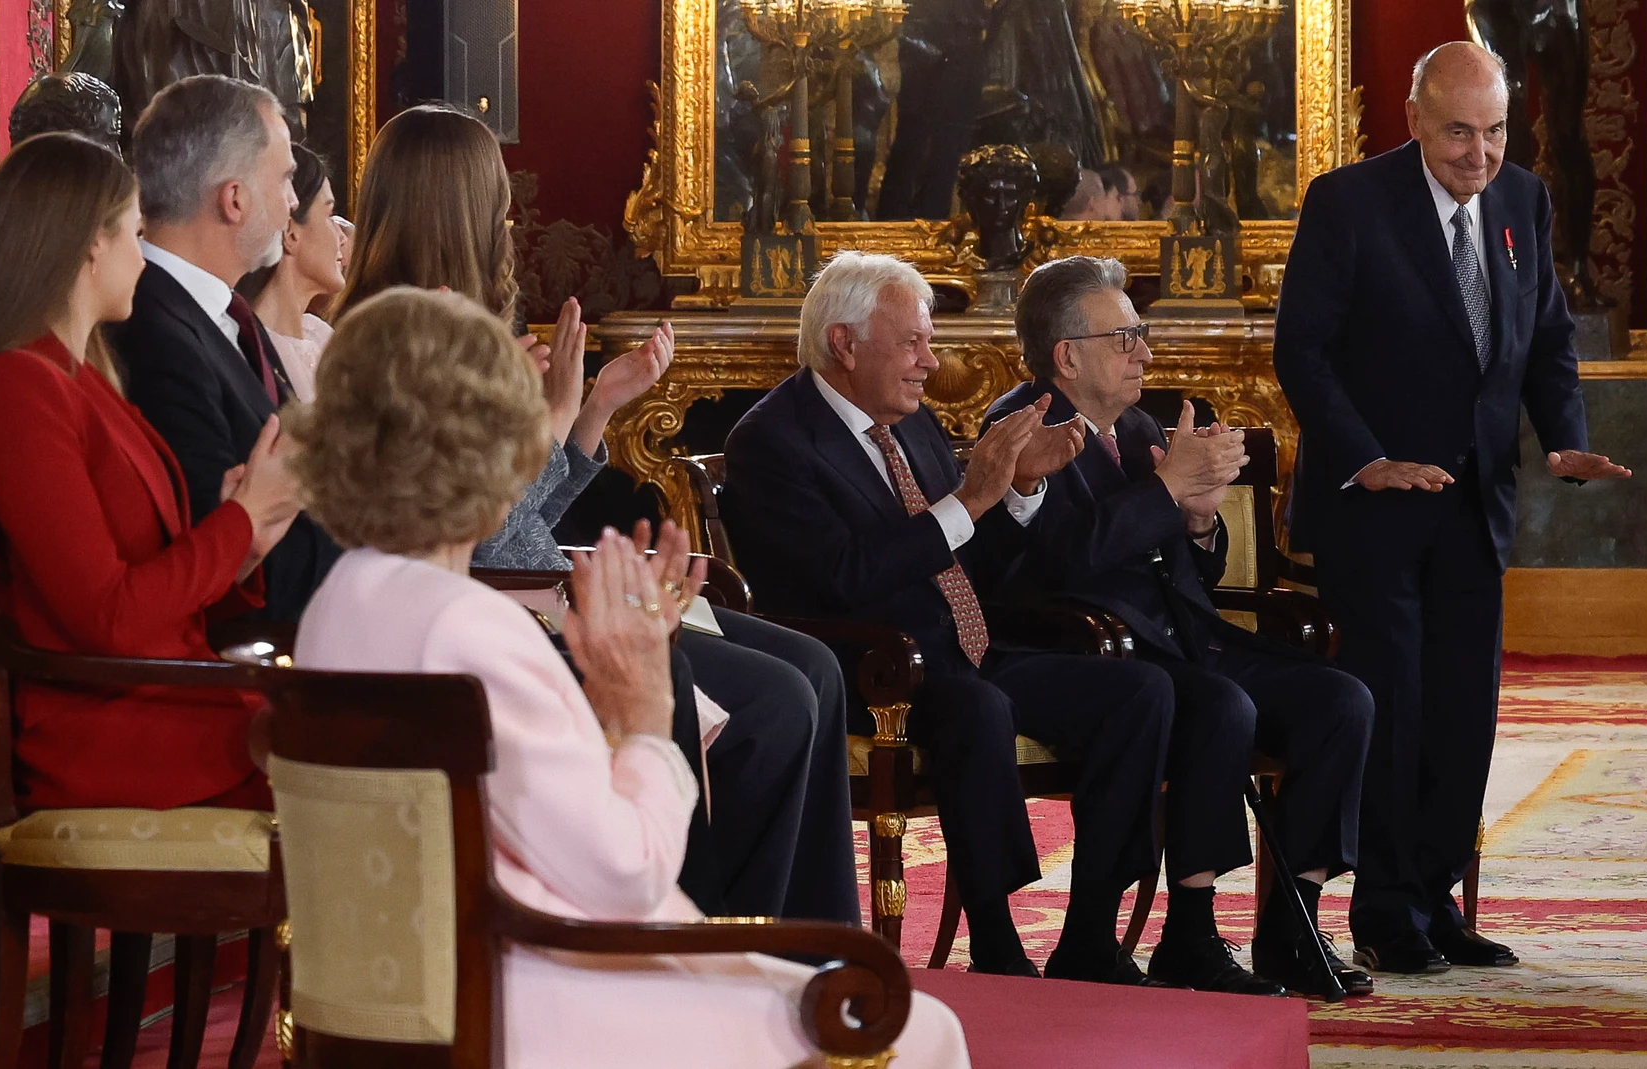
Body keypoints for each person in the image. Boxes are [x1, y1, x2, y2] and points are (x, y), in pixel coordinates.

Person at [288, 285, 969, 1068]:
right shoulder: (475, 633)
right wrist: (643, 708)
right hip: (537, 999)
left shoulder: (336, 607)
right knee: (924, 1033)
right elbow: (625, 874)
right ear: (497, 450)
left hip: (403, 996)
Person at [333, 104, 861, 926]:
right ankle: (726, 937)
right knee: (780, 701)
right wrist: (553, 424)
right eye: (495, 199)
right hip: (514, 608)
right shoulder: (404, 339)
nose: (508, 219)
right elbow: (472, 530)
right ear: (456, 208)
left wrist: (592, 412)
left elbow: (518, 515)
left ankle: (815, 940)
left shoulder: (467, 323)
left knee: (816, 667)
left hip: (539, 585)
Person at [1273, 41, 1629, 975]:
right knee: (1395, 710)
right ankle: (1384, 910)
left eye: (1496, 131)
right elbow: (1302, 351)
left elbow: (1545, 335)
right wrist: (1369, 459)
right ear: (1414, 120)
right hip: (1375, 510)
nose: (1481, 154)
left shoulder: (1522, 199)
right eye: (1461, 133)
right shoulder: (1347, 202)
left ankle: (1435, 901)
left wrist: (1563, 436)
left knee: (1464, 716)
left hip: (1475, 508)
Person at [724, 250, 1177, 982]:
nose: (930, 363)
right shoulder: (773, 440)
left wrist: (1019, 488)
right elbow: (842, 578)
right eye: (913, 343)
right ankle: (997, 943)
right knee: (978, 708)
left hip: (965, 645)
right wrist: (969, 499)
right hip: (869, 666)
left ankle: (1090, 935)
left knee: (1140, 692)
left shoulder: (915, 421)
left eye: (928, 342)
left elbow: (975, 558)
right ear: (844, 343)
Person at [987, 255, 1375, 997]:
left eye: (1141, 334)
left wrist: (1197, 522)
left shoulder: (1134, 425)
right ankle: (1191, 933)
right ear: (1068, 355)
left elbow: (1187, 568)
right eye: (1126, 338)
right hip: (1093, 650)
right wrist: (1166, 490)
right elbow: (1060, 561)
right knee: (1220, 705)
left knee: (1339, 700)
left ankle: (1292, 925)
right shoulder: (1023, 426)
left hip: (1181, 636)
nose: (1145, 353)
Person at [0, 132, 303, 812]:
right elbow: (107, 615)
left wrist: (246, 541)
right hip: (111, 732)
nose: (144, 256)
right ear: (89, 246)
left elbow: (147, 591)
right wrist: (240, 519)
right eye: (135, 233)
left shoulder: (77, 377)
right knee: (370, 777)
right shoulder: (17, 388)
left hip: (163, 704)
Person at [112, 74, 341, 624]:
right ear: (234, 199)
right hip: (268, 639)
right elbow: (221, 546)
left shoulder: (220, 312)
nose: (292, 202)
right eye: (284, 179)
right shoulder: (151, 331)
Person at [235, 143, 341, 401]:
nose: (342, 236)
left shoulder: (321, 335)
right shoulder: (252, 351)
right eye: (329, 215)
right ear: (291, 232)